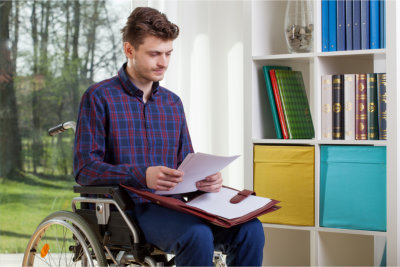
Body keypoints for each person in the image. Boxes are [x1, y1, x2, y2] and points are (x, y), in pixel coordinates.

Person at [74, 6, 265, 266]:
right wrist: (143, 175)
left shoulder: (172, 103)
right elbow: (85, 169)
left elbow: (186, 161)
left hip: (177, 207)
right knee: (196, 235)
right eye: (154, 54)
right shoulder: (99, 97)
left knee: (250, 229)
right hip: (127, 210)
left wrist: (206, 179)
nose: (163, 62)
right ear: (129, 50)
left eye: (168, 53)